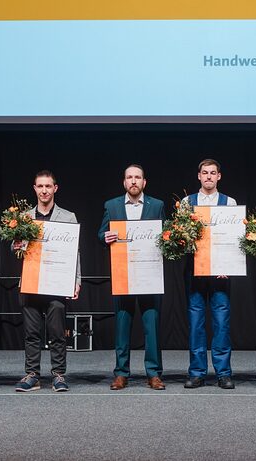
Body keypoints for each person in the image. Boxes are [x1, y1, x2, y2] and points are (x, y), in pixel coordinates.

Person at [99, 164, 167, 390]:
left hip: (149, 275)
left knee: (152, 326)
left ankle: (154, 373)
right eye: (130, 177)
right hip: (124, 274)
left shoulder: (157, 205)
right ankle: (121, 373)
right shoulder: (112, 205)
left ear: (144, 182)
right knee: (122, 326)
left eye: (138, 177)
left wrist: (167, 238)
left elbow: (166, 234)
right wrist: (105, 237)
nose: (134, 181)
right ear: (124, 182)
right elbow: (101, 233)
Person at [15, 170, 81, 393]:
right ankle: (32, 374)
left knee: (57, 332)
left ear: (55, 188)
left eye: (48, 186)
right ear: (35, 188)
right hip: (31, 282)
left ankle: (59, 375)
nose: (44, 190)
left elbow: (75, 252)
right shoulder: (24, 217)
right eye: (40, 186)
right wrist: (16, 245)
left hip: (57, 283)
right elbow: (15, 247)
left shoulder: (68, 217)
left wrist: (76, 280)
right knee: (31, 333)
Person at [184, 158, 236, 389]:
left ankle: (223, 373)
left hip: (220, 272)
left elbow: (234, 238)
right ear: (199, 176)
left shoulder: (229, 202)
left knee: (221, 323)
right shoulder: (187, 202)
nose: (208, 176)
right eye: (204, 173)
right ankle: (197, 373)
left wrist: (228, 265)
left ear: (219, 176)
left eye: (212, 173)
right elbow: (181, 237)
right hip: (195, 269)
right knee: (196, 323)